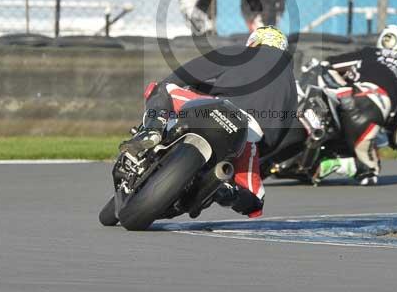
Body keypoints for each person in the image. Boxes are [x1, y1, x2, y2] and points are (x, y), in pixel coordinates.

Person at [120, 25, 297, 217]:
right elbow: (277, 138)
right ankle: (224, 191)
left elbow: (185, 74)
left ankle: (153, 129)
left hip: (214, 110)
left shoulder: (243, 52)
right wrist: (256, 154)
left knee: (163, 89)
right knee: (255, 200)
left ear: (254, 42)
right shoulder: (292, 86)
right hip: (248, 136)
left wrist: (178, 86)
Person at [313, 25, 397, 186]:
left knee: (321, 72)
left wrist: (340, 87)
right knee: (371, 171)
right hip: (369, 113)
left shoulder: (371, 53)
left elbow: (328, 64)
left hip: (338, 98)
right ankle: (340, 164)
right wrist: (392, 140)